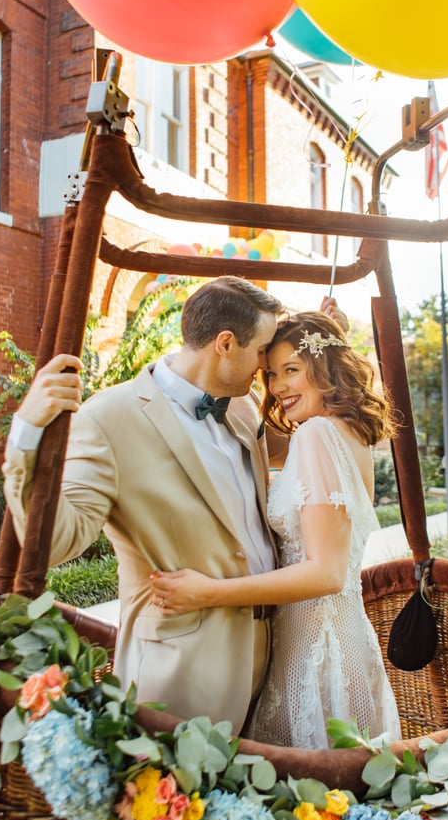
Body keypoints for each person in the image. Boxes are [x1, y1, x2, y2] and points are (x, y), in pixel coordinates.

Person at [3, 275, 286, 733]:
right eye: (262, 351)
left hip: (271, 661)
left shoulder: (242, 406)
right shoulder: (107, 419)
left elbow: (304, 444)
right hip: (180, 672)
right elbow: (54, 542)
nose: (265, 363)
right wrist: (26, 433)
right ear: (226, 344)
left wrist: (321, 354)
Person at [152, 311, 402, 750]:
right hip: (336, 641)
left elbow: (325, 573)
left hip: (317, 652)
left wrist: (206, 592)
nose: (278, 387)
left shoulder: (318, 435)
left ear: (325, 368)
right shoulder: (347, 434)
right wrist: (326, 328)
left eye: (291, 371)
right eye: (271, 375)